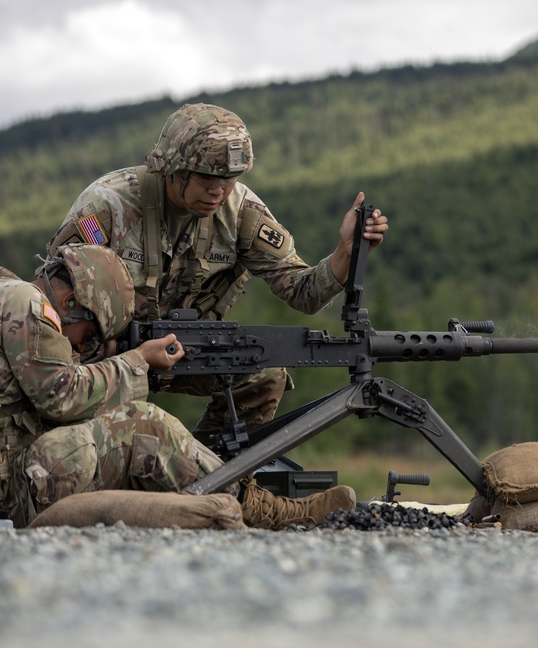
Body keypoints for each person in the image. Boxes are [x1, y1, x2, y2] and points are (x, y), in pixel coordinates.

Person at [0, 244, 356, 529]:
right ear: (70, 302)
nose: (81, 346)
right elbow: (62, 395)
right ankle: (269, 512)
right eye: (89, 335)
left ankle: (216, 495)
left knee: (116, 427)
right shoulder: (27, 303)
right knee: (142, 425)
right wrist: (137, 360)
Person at [44, 103, 389, 450]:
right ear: (173, 168)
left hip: (189, 351)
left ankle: (214, 471)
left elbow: (304, 292)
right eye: (207, 178)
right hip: (104, 355)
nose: (219, 191)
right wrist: (106, 353)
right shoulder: (109, 206)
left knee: (264, 374)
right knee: (81, 427)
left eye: (229, 179)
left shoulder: (241, 214)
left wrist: (346, 253)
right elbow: (53, 302)